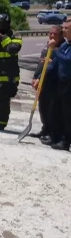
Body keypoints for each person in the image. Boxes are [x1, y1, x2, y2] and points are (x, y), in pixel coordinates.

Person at [34, 24, 64, 143]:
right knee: (43, 107)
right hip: (43, 81)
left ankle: (53, 132)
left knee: (53, 109)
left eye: (55, 34)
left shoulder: (62, 48)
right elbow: (41, 64)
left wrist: (53, 59)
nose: (51, 36)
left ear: (61, 35)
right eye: (50, 33)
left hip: (54, 82)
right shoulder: (47, 47)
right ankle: (45, 129)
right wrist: (35, 77)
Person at [51, 16, 71, 150]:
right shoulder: (66, 44)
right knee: (58, 111)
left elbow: (67, 60)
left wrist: (55, 50)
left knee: (68, 114)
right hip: (61, 82)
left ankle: (66, 141)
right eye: (63, 28)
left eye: (66, 28)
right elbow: (56, 62)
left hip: (69, 83)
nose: (63, 30)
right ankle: (57, 136)